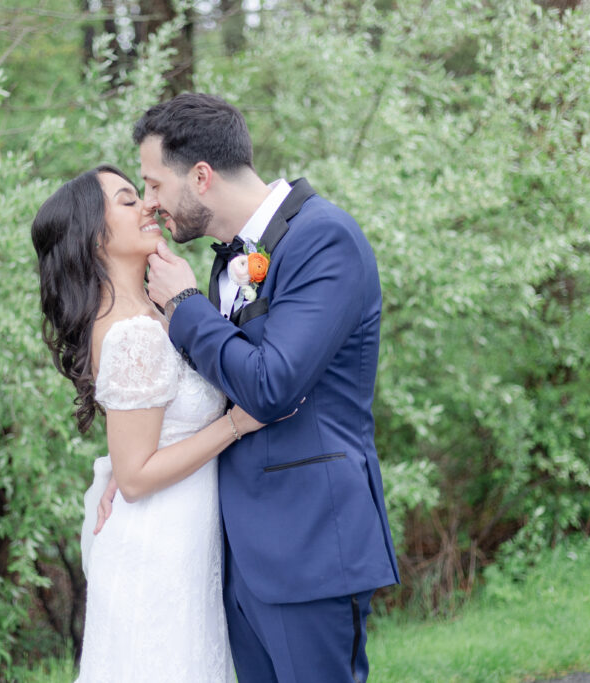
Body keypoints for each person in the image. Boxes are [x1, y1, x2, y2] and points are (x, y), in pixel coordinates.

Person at [137, 93, 400, 683]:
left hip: (309, 545)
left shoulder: (324, 238)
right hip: (239, 555)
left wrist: (185, 306)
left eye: (154, 185)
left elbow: (272, 385)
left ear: (200, 176)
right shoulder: (230, 259)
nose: (151, 205)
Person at [30, 164, 264, 682]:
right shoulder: (132, 331)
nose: (148, 207)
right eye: (128, 200)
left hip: (184, 540)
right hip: (158, 551)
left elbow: (140, 445)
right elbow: (136, 478)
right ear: (94, 236)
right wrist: (234, 426)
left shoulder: (154, 311)